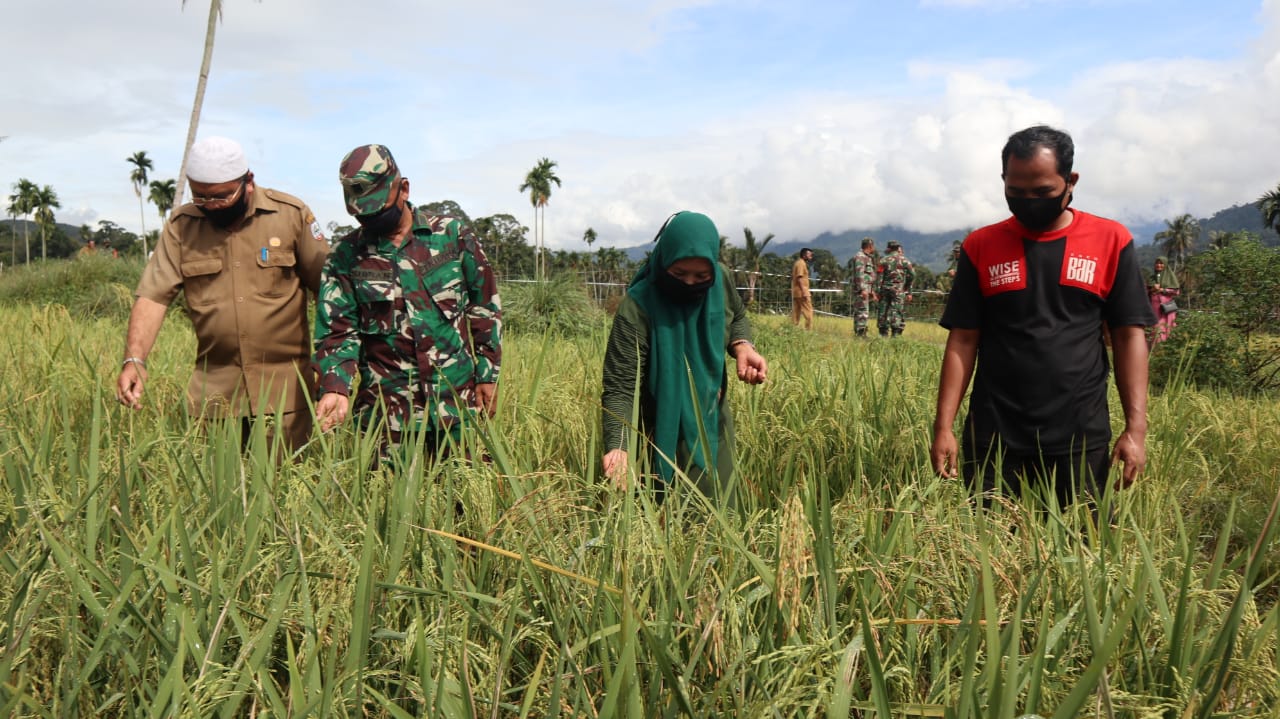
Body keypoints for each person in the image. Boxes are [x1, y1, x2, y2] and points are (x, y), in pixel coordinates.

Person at [930, 125, 1154, 507]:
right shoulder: (980, 245)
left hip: (1080, 436)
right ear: (1003, 181)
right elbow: (964, 338)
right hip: (993, 434)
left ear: (1071, 181)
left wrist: (1136, 428)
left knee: (1083, 547)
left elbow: (1128, 335)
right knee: (987, 550)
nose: (1029, 201)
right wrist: (943, 426)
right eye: (1015, 192)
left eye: (1042, 192)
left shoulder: (1111, 241)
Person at [115, 136, 330, 452]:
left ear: (249, 182)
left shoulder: (290, 215)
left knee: (285, 490)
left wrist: (332, 367)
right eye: (201, 197)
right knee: (217, 494)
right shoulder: (182, 226)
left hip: (287, 398)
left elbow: (330, 292)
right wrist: (135, 359)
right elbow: (153, 295)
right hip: (215, 399)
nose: (211, 206)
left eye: (221, 196)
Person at [313, 144, 502, 461]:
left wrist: (487, 374)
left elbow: (485, 308)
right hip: (387, 419)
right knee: (388, 505)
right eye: (363, 215)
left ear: (403, 189)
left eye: (378, 210)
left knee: (463, 503)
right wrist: (335, 385)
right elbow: (338, 332)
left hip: (457, 406)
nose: (371, 221)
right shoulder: (345, 257)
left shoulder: (452, 236)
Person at [600, 211, 768, 504]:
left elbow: (737, 313)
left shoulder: (722, 281)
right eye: (679, 275)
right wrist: (619, 446)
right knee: (660, 513)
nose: (690, 283)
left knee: (720, 511)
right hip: (657, 425)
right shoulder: (637, 307)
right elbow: (620, 388)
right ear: (664, 261)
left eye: (701, 276)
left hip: (713, 418)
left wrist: (742, 346)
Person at [876, 240, 914, 337]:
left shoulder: (883, 260)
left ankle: (883, 334)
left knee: (883, 311)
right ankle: (895, 334)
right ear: (898, 248)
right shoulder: (905, 260)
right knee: (896, 311)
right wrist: (906, 286)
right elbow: (912, 274)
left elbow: (878, 276)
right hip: (898, 290)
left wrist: (878, 291)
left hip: (885, 289)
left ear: (889, 248)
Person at [1147, 256, 1180, 343]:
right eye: (1157, 263)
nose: (1159, 265)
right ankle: (1156, 347)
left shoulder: (1170, 277)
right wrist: (1153, 289)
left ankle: (1167, 346)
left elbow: (1176, 291)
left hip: (1167, 307)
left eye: (1161, 263)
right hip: (1155, 307)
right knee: (1156, 326)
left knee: (1168, 325)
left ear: (1165, 265)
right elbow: (1145, 291)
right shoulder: (1151, 278)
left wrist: (1163, 290)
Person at [850, 237, 878, 337]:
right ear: (870, 246)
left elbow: (868, 276)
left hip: (866, 289)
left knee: (862, 311)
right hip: (861, 290)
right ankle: (861, 334)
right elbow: (859, 273)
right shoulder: (860, 256)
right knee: (862, 312)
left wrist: (871, 291)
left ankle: (860, 333)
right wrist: (862, 289)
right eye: (873, 246)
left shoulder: (867, 257)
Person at [790, 247, 814, 329]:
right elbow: (799, 277)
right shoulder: (801, 263)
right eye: (809, 254)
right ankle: (808, 330)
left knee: (796, 312)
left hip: (796, 292)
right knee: (809, 311)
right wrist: (804, 291)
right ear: (804, 255)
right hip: (802, 292)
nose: (811, 256)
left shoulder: (798, 263)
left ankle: (792, 329)